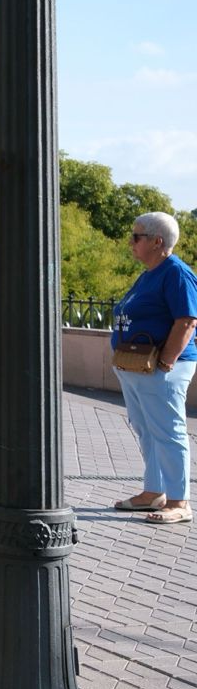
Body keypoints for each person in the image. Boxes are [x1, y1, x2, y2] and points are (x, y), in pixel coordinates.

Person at [110, 211, 197, 525]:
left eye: (137, 237)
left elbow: (187, 321)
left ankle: (179, 501)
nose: (131, 242)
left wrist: (165, 363)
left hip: (160, 367)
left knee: (168, 431)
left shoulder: (176, 273)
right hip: (137, 367)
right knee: (147, 430)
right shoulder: (150, 272)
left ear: (157, 241)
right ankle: (154, 492)